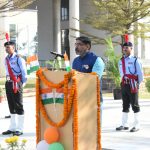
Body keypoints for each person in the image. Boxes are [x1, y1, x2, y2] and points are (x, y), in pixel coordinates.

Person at [72, 36, 105, 123]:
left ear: (87, 46)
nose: (76, 46)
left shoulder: (97, 60)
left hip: (93, 100)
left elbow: (94, 79)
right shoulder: (75, 61)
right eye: (76, 44)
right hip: (79, 99)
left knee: (94, 130)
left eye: (80, 44)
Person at [116, 41, 144, 132]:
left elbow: (140, 74)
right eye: (124, 47)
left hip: (133, 84)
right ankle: (125, 124)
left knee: (135, 104)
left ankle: (137, 125)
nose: (124, 49)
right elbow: (121, 73)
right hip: (124, 84)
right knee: (125, 104)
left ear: (131, 49)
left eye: (127, 47)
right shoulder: (121, 60)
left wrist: (137, 84)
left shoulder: (136, 60)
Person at [2, 41, 27, 136]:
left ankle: (20, 129)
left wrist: (22, 83)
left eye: (8, 47)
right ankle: (12, 127)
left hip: (17, 83)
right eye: (6, 47)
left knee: (18, 105)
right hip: (8, 83)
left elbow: (24, 72)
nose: (6, 49)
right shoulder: (6, 59)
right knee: (11, 105)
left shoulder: (19, 59)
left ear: (13, 47)